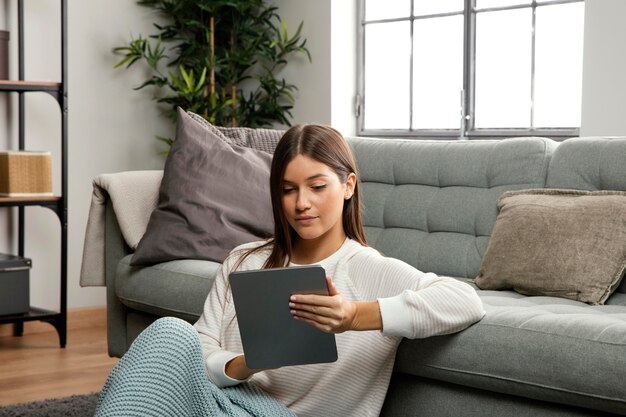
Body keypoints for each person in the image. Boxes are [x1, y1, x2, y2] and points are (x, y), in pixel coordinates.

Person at [95, 124, 485, 417]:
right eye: (288, 189)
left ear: (348, 186)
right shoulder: (243, 260)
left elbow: (464, 300)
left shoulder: (367, 269)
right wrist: (246, 363)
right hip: (226, 404)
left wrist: (354, 316)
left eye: (317, 187)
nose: (301, 203)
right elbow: (201, 350)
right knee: (170, 333)